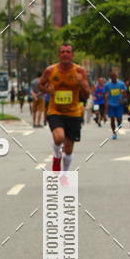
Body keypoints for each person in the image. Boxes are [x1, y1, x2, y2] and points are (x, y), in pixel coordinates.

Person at [40, 43, 90, 171]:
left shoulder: (79, 71)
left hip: (73, 113)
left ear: (72, 55)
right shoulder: (50, 70)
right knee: (59, 137)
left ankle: (65, 173)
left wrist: (81, 83)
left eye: (68, 52)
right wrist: (47, 90)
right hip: (55, 111)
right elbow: (41, 85)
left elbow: (87, 94)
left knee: (68, 148)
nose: (65, 54)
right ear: (59, 55)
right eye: (62, 52)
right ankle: (57, 155)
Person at [104, 70, 128, 140]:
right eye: (112, 77)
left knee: (119, 119)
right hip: (111, 104)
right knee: (112, 119)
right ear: (110, 77)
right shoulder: (107, 85)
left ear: (117, 77)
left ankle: (119, 124)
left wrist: (123, 99)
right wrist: (106, 101)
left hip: (119, 104)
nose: (113, 78)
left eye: (114, 76)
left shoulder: (121, 84)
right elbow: (104, 94)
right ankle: (114, 133)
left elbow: (125, 93)